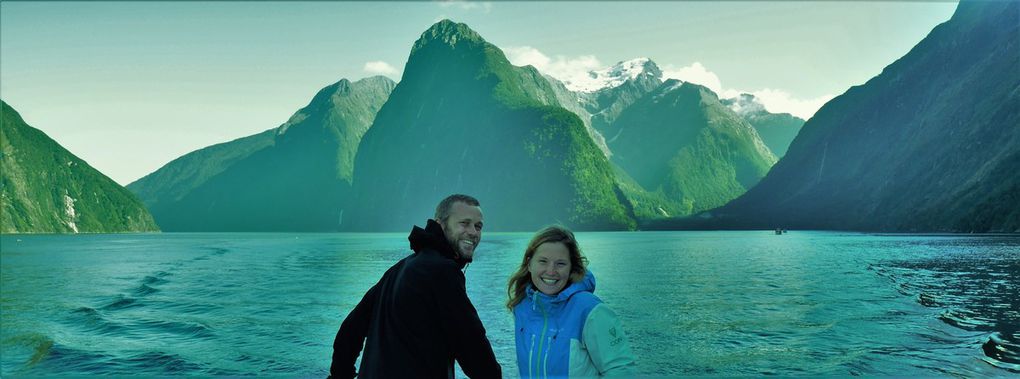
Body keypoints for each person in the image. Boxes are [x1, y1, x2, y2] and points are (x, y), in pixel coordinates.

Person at [330, 194, 501, 378]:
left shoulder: (398, 270)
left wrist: (340, 375)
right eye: (464, 223)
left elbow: (350, 331)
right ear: (440, 224)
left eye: (478, 226)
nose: (473, 232)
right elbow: (471, 344)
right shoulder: (443, 271)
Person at [507, 225, 636, 378]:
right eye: (543, 261)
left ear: (571, 268)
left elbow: (621, 370)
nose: (550, 271)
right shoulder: (523, 306)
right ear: (529, 264)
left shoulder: (590, 310)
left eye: (560, 263)